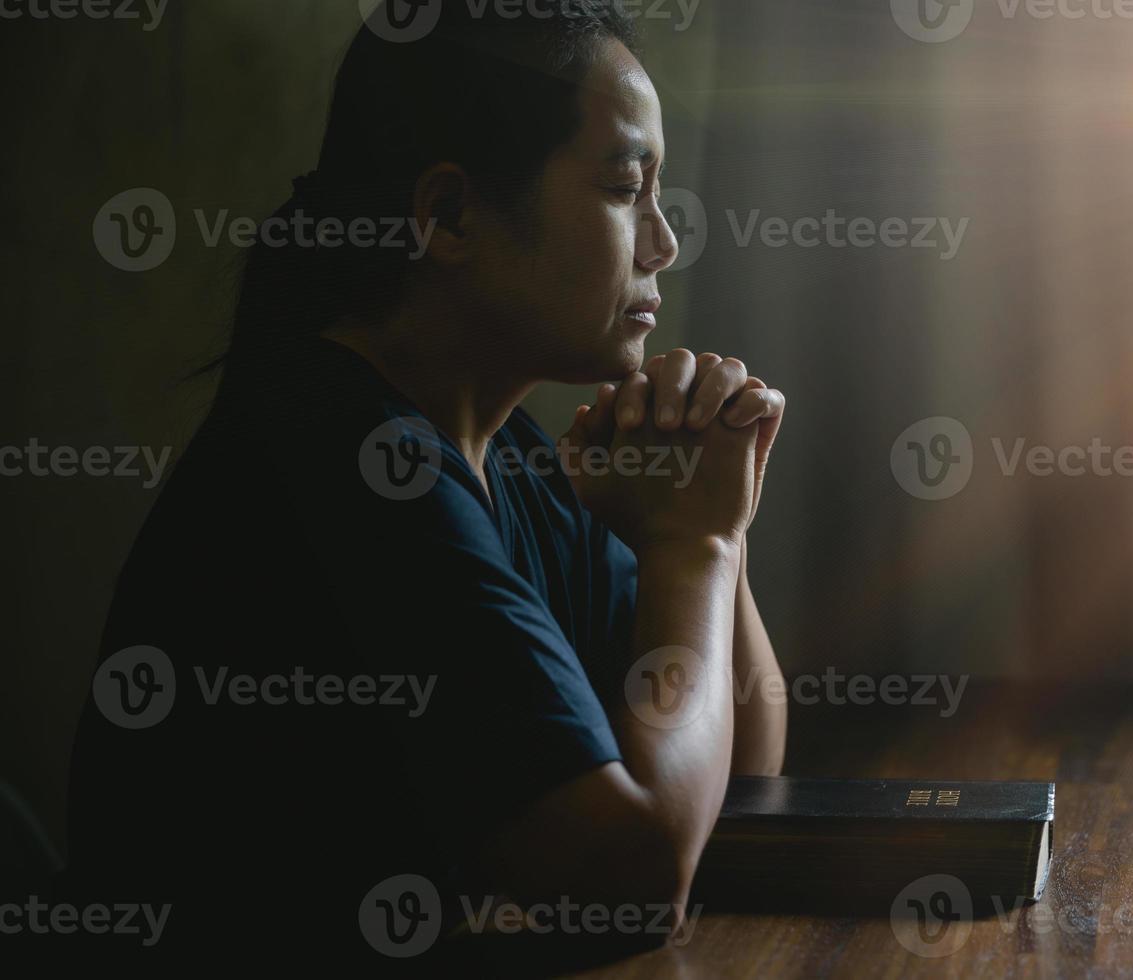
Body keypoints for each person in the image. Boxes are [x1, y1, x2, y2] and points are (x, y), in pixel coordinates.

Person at [64, 1, 786, 967]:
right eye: (625, 187)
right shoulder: (348, 463)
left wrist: (712, 534)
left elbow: (737, 781)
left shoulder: (513, 458)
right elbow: (629, 882)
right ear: (447, 216)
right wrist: (691, 543)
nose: (663, 242)